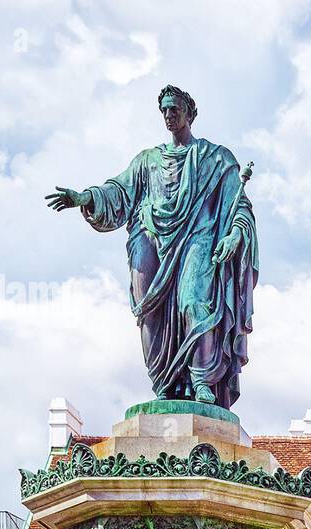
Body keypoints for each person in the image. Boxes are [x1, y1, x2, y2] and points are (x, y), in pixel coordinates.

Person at [45, 85, 258, 408]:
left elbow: (238, 205)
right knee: (149, 312)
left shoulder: (217, 159)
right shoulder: (147, 161)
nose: (169, 115)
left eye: (175, 109)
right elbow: (118, 191)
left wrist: (234, 235)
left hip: (198, 240)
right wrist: (85, 198)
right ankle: (165, 381)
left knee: (194, 303)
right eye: (165, 110)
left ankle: (202, 380)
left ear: (190, 113)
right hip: (149, 236)